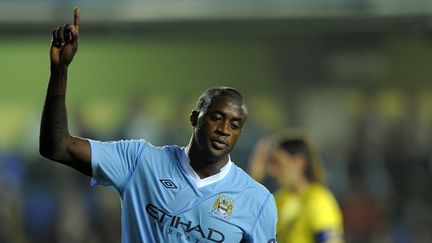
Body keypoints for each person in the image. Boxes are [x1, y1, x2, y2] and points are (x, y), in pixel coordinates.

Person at [39, 7, 277, 243]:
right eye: (216, 117)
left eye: (235, 125)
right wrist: (59, 71)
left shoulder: (257, 200)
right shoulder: (139, 162)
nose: (224, 129)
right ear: (194, 118)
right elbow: (57, 147)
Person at [249, 132, 343, 243]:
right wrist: (254, 178)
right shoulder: (279, 199)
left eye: (278, 163)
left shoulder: (319, 199)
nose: (271, 170)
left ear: (299, 162)